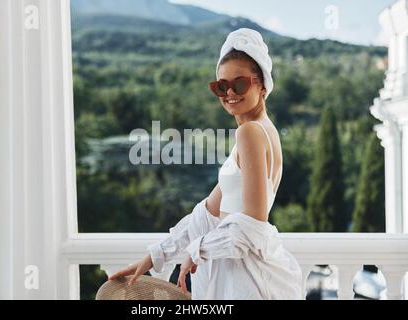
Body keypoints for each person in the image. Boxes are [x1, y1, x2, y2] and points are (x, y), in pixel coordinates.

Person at [108, 28, 304, 300]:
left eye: (240, 84)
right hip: (240, 274)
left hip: (244, 281)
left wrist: (198, 249)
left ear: (261, 85)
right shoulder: (260, 131)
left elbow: (252, 226)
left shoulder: (250, 133)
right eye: (221, 86)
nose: (230, 93)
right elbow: (207, 214)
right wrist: (156, 256)